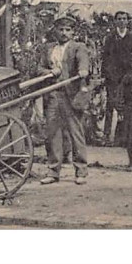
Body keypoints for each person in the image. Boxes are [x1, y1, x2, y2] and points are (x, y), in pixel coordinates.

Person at [38, 15, 91, 186]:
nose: (64, 33)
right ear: (55, 31)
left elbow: (83, 62)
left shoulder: (78, 47)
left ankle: (81, 170)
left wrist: (83, 71)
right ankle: (53, 171)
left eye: (68, 30)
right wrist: (48, 72)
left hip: (71, 95)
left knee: (76, 132)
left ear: (73, 32)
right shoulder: (49, 48)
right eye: (61, 29)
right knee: (53, 133)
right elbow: (39, 68)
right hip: (53, 94)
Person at [101, 10, 132, 145]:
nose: (122, 21)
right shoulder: (110, 37)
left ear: (128, 21)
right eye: (119, 19)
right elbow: (105, 58)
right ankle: (106, 136)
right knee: (111, 105)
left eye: (124, 18)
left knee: (127, 105)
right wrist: (106, 75)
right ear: (115, 21)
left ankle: (124, 136)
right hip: (112, 77)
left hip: (127, 77)